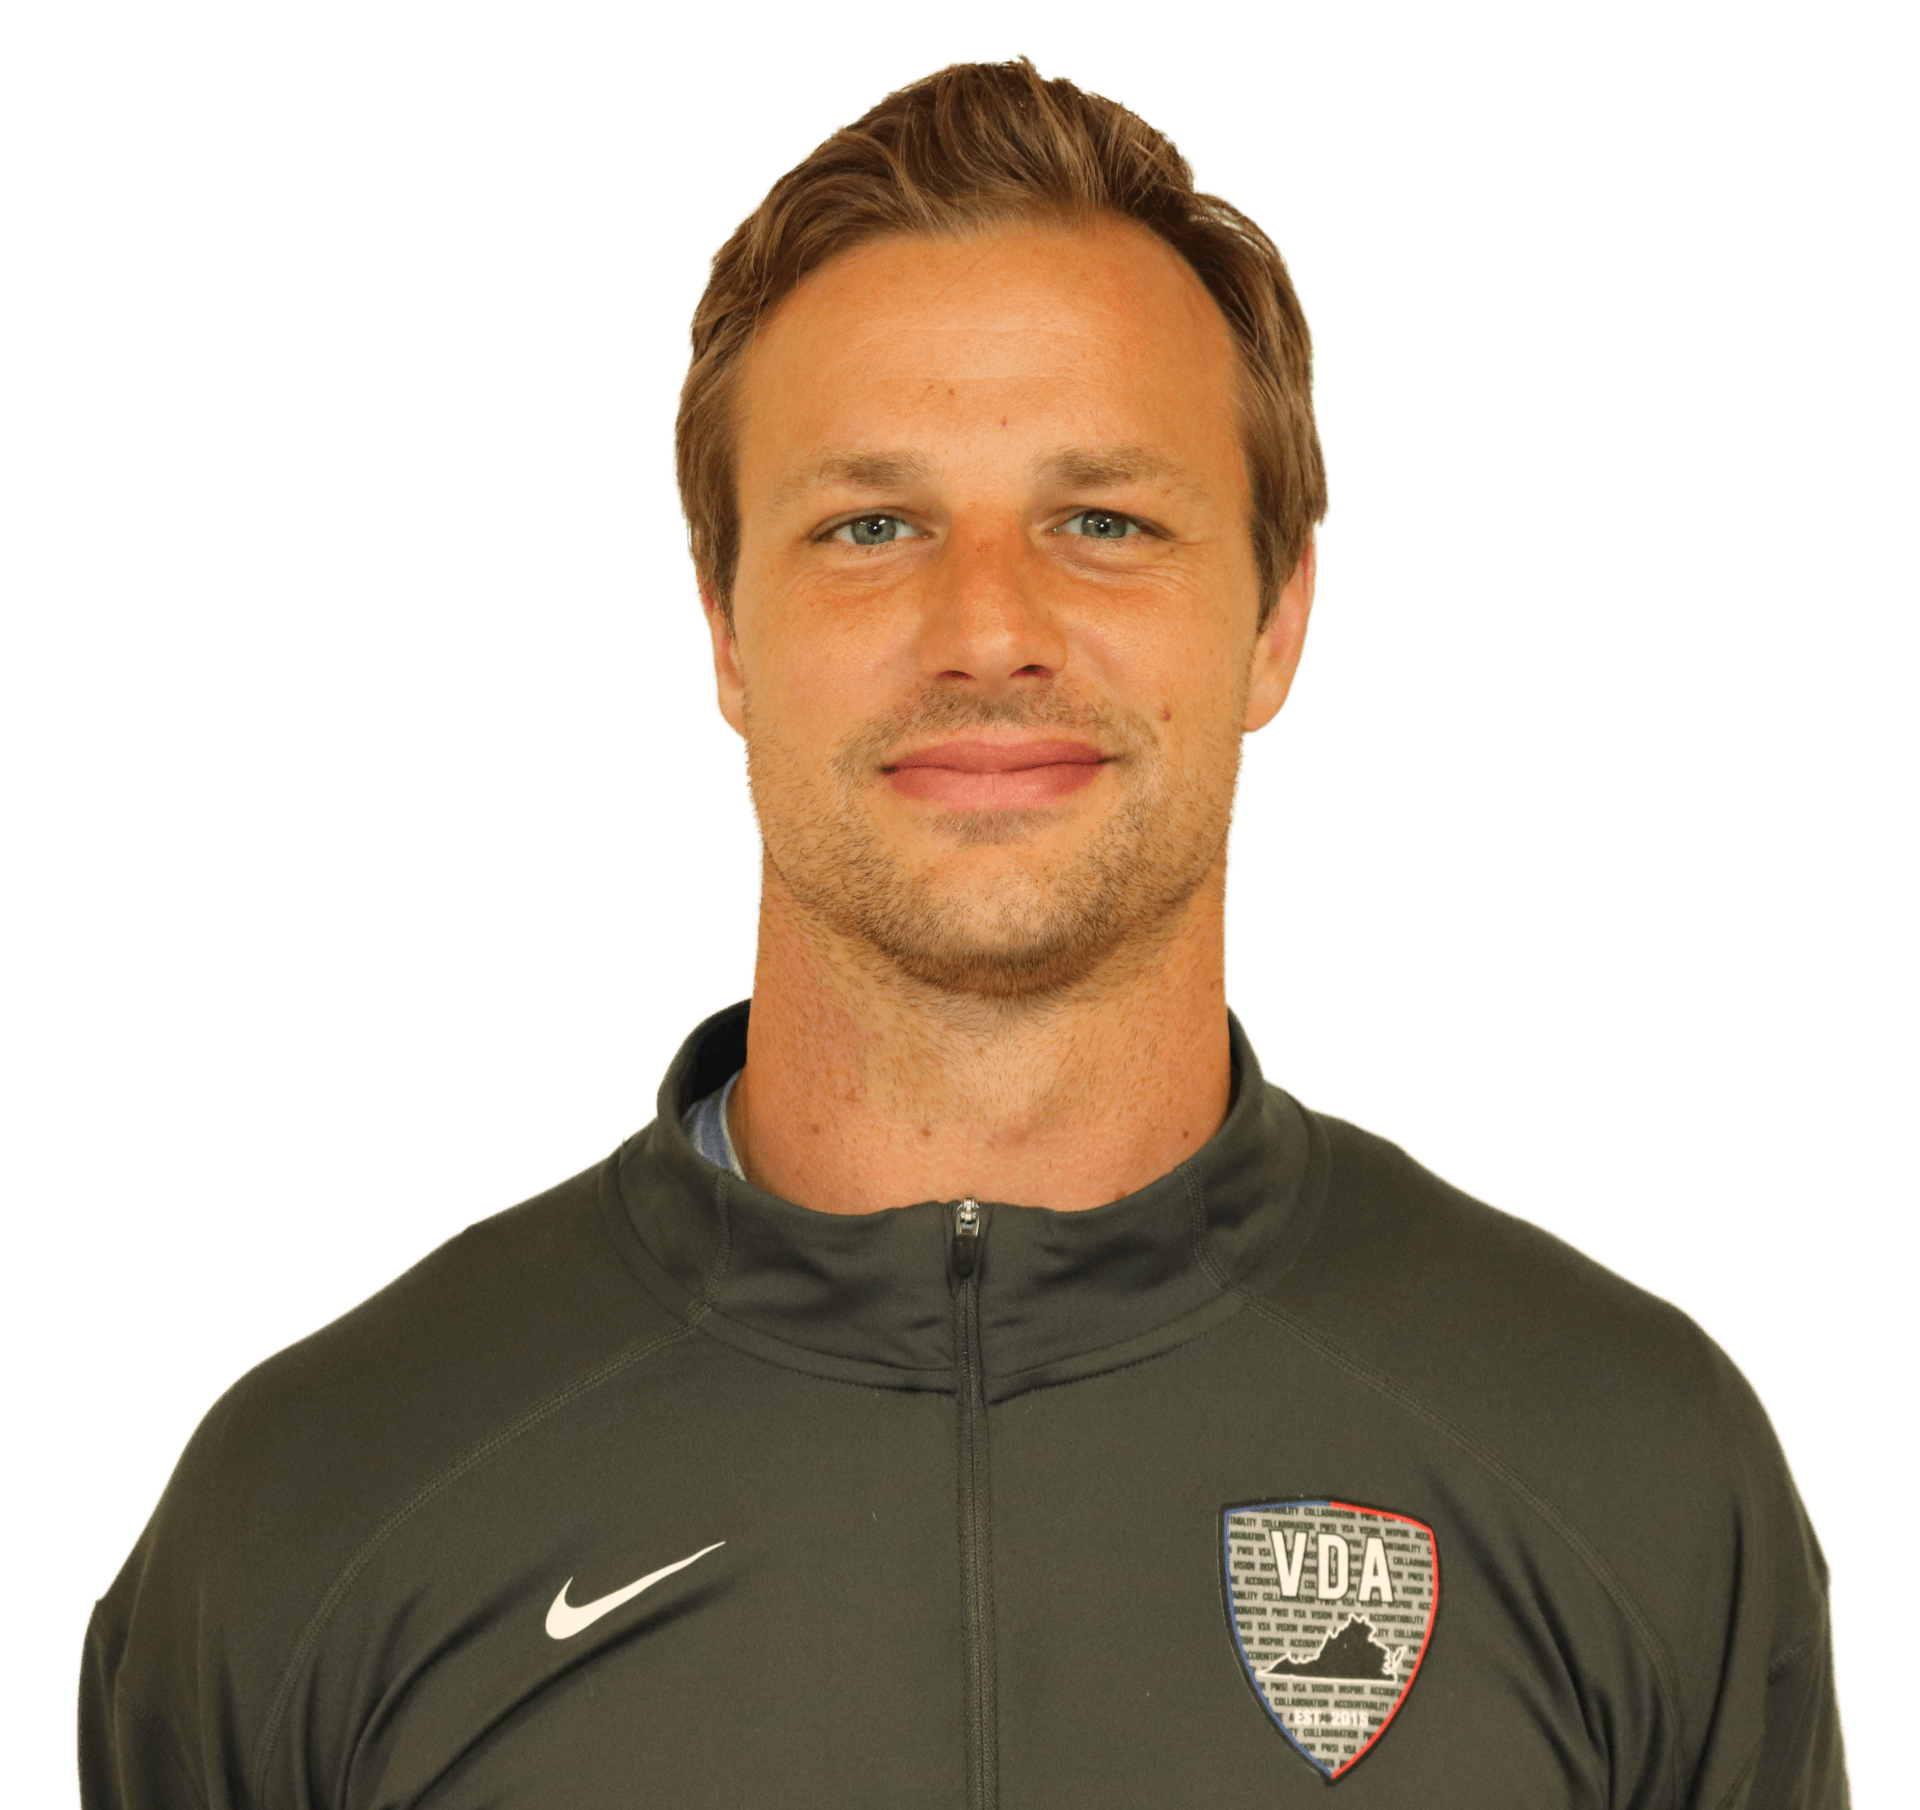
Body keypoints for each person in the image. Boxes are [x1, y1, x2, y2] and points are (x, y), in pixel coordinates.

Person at [76, 53, 1849, 1808]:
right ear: (725, 626)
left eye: (1104, 519)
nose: (988, 627)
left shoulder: (1631, 1469)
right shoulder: (311, 1510)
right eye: (871, 524)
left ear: (1278, 616)